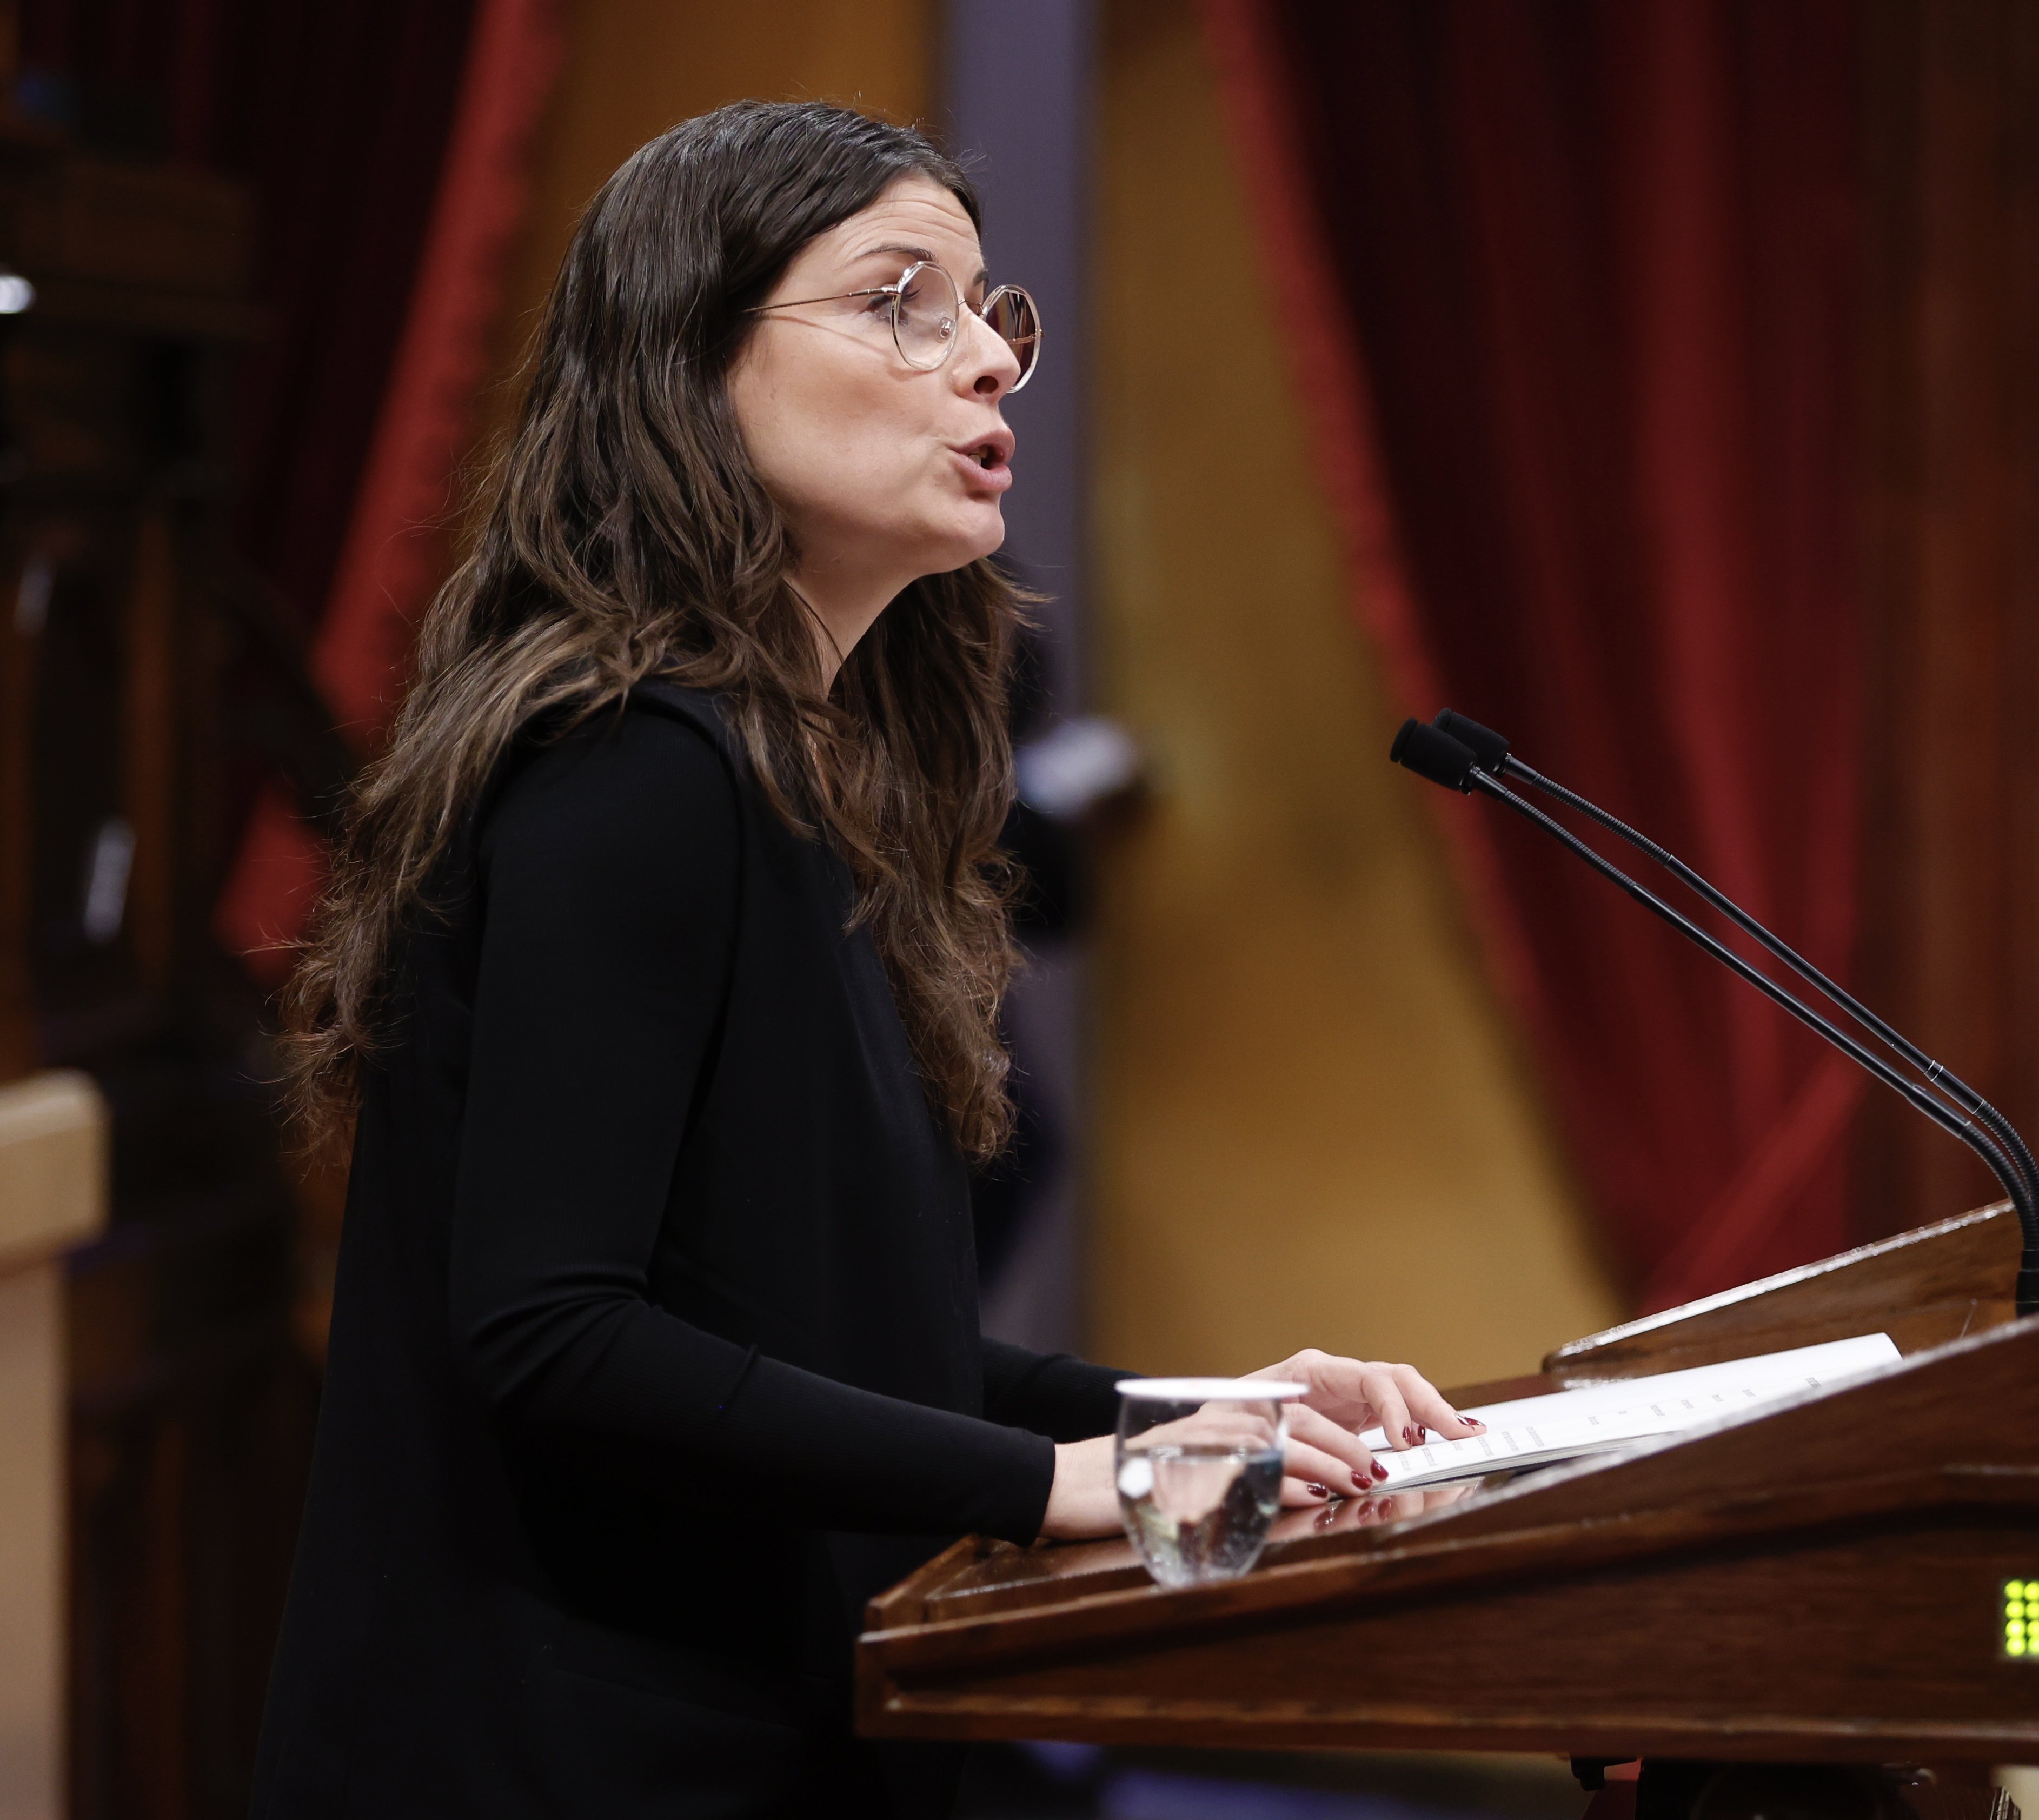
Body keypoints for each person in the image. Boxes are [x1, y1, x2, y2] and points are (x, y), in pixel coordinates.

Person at [249, 100, 1474, 1819]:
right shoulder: (631, 770)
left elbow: (820, 1334)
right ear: (687, 361)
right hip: (566, 1754)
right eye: (903, 299)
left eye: (988, 312)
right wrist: (1074, 1482)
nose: (982, 359)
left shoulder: (791, 778)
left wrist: (1196, 1409)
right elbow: (552, 1334)